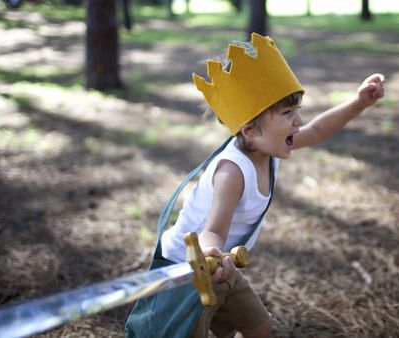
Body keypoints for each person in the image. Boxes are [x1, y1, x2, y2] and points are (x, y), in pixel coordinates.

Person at [127, 33, 384, 338]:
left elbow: (316, 131)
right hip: (190, 271)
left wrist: (359, 102)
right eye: (288, 113)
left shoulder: (269, 147)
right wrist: (211, 253)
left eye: (297, 109)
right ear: (250, 129)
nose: (299, 121)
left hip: (225, 268)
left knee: (260, 330)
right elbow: (213, 230)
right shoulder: (232, 172)